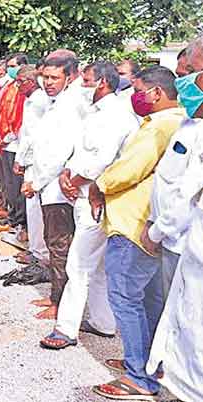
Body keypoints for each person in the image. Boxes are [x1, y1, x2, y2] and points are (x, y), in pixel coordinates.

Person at [88, 66, 186, 401]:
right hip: (153, 224)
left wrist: (99, 186)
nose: (133, 97)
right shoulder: (180, 122)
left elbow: (129, 169)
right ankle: (148, 362)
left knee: (126, 298)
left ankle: (139, 377)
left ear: (156, 93)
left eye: (138, 90)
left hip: (133, 222)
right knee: (149, 299)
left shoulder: (159, 126)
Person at [39, 62, 139, 350]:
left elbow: (103, 160)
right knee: (96, 267)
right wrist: (66, 174)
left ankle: (65, 330)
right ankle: (103, 322)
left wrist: (74, 181)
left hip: (97, 199)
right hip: (82, 193)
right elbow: (80, 151)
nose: (80, 86)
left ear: (102, 83)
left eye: (85, 80)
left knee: (79, 264)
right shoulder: (95, 112)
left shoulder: (115, 115)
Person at [146, 54, 203, 401]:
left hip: (182, 239)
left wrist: (157, 231)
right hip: (176, 237)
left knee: (188, 324)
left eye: (191, 73)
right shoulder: (189, 123)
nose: (183, 81)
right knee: (175, 317)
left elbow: (186, 193)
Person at [21, 54, 83, 320]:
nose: (48, 82)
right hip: (48, 183)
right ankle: (55, 296)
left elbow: (59, 153)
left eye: (54, 78)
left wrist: (35, 182)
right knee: (53, 241)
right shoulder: (55, 103)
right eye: (45, 77)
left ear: (69, 77)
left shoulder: (70, 106)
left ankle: (60, 303)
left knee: (59, 245)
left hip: (57, 186)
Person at [13, 66, 51, 269]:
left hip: (36, 160)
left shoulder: (38, 101)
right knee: (32, 207)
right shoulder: (32, 100)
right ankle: (36, 249)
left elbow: (32, 136)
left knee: (35, 207)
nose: (17, 85)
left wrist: (20, 159)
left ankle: (40, 253)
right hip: (31, 158)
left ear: (31, 81)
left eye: (20, 81)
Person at [0, 54, 29, 234]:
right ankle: (12, 214)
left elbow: (19, 119)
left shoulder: (22, 90)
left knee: (16, 185)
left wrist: (7, 137)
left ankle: (18, 221)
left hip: (14, 143)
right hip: (3, 141)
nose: (10, 70)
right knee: (8, 183)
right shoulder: (10, 87)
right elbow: (1, 113)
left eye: (12, 66)